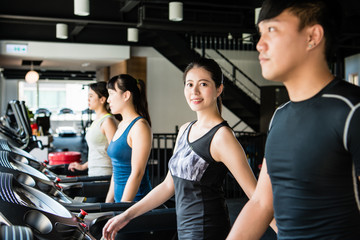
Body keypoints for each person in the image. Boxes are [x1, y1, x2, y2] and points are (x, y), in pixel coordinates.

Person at [227, 0, 360, 239]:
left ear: (312, 36)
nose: (259, 44)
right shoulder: (280, 116)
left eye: (272, 30)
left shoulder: (352, 110)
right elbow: (261, 204)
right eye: (260, 32)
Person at [102, 57, 258, 240]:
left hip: (206, 230)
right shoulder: (185, 129)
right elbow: (168, 185)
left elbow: (256, 196)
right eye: (189, 84)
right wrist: (127, 214)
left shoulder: (222, 136)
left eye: (203, 84)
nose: (195, 91)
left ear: (219, 89)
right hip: (183, 229)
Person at [105, 74, 152, 203]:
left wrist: (122, 210)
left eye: (111, 94)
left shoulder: (139, 126)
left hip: (135, 203)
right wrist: (108, 204)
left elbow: (137, 173)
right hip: (120, 202)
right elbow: (116, 172)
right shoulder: (121, 124)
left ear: (126, 95)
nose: (108, 100)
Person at [68, 82, 117, 176]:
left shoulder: (108, 121)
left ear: (102, 99)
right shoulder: (97, 120)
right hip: (94, 172)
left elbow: (115, 153)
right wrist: (83, 166)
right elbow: (97, 152)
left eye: (91, 96)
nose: (88, 99)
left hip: (105, 173)